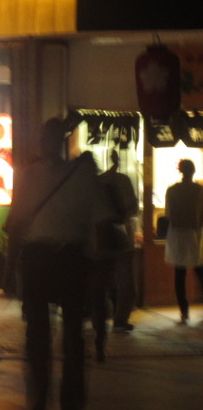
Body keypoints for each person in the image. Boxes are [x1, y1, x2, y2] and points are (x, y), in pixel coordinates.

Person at [5, 118, 108, 410]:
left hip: (54, 256)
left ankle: (52, 404)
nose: (45, 143)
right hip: (61, 257)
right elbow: (101, 220)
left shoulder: (68, 175)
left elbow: (16, 224)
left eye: (49, 137)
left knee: (55, 334)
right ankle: (58, 404)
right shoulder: (77, 175)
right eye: (44, 137)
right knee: (57, 334)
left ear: (60, 141)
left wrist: (10, 269)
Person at [90, 149, 139, 360]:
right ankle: (119, 319)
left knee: (101, 284)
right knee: (125, 281)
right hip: (119, 237)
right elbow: (131, 209)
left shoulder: (93, 185)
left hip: (96, 241)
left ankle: (100, 325)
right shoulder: (120, 181)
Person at [163, 158, 203, 325]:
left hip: (177, 233)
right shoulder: (199, 190)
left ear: (180, 170)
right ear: (193, 171)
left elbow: (168, 214)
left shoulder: (172, 190)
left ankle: (184, 311)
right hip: (195, 233)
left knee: (180, 274)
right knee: (200, 270)